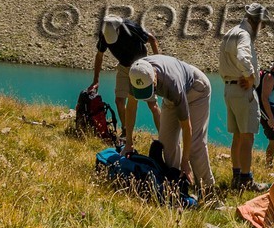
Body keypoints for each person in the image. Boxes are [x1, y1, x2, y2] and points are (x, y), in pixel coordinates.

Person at [127, 53, 217, 199]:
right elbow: (130, 108)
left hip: (196, 89)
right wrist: (128, 142)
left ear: (154, 78)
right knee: (166, 142)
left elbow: (187, 127)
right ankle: (176, 186)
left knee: (195, 144)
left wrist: (185, 162)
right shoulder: (136, 74)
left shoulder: (172, 83)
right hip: (170, 95)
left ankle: (208, 193)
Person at [91, 14, 161, 153]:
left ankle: (164, 136)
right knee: (119, 100)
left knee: (152, 104)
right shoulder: (104, 32)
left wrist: (156, 67)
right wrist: (96, 80)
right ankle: (125, 131)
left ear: (119, 29)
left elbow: (152, 39)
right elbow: (99, 55)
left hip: (142, 66)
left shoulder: (131, 27)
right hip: (124, 67)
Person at [218, 4, 266, 191]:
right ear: (257, 21)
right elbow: (243, 56)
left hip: (229, 89)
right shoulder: (245, 35)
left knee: (238, 136)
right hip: (242, 90)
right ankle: (247, 180)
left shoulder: (232, 31)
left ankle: (236, 177)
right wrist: (251, 76)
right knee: (247, 137)